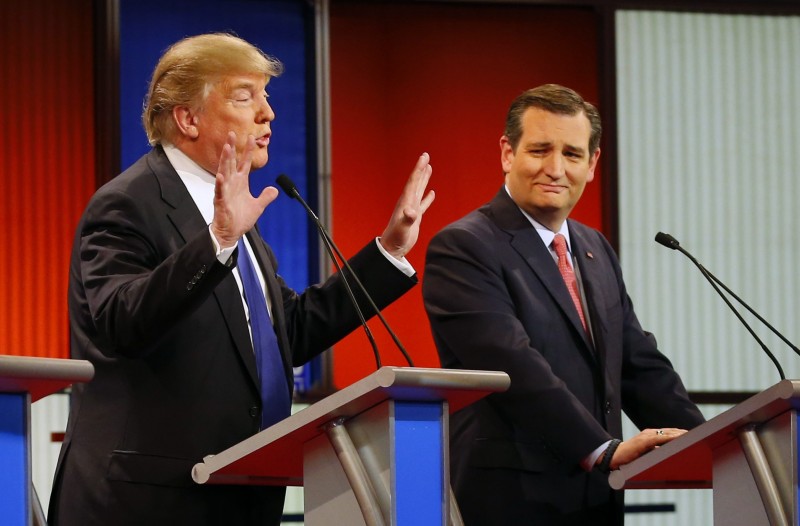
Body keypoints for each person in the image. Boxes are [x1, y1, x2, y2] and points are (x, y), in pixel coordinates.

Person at [50, 33, 434, 526]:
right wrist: (218, 240)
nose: (268, 113)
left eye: (267, 96)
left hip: (239, 494)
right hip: (149, 504)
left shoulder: (232, 217)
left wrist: (389, 252)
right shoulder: (129, 204)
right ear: (188, 118)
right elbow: (121, 321)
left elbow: (286, 335)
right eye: (244, 96)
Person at [422, 84, 703, 525]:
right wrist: (602, 449)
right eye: (539, 150)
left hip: (598, 498)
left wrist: (710, 443)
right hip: (512, 501)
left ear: (592, 164)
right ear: (507, 153)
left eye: (572, 154)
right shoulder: (464, 246)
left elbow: (636, 362)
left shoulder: (594, 247)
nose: (555, 169)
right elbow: (513, 363)